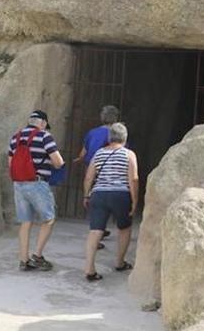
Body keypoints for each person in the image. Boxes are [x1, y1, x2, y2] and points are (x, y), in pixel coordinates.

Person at [8, 110, 65, 271]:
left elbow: (10, 163)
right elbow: (58, 162)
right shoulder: (44, 136)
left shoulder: (16, 137)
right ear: (43, 123)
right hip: (37, 183)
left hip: (19, 184)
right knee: (48, 219)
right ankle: (37, 256)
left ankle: (23, 260)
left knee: (26, 222)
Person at [82, 123, 139, 282]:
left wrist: (86, 195)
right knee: (124, 228)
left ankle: (89, 268)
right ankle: (120, 262)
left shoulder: (99, 153)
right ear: (125, 138)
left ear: (109, 138)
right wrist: (135, 201)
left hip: (99, 194)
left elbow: (88, 177)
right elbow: (133, 179)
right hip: (120, 194)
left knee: (95, 231)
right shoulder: (129, 154)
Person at [74, 105, 120, 246]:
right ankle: (97, 233)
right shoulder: (117, 134)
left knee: (94, 200)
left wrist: (79, 159)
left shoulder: (92, 133)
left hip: (92, 168)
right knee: (105, 201)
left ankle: (99, 228)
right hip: (109, 171)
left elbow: (83, 153)